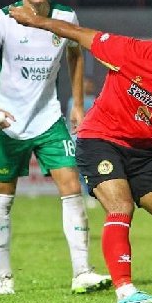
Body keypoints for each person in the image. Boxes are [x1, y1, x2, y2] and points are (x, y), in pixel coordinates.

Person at [7, 6, 152, 303]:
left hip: (142, 152)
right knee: (120, 206)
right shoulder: (128, 51)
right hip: (99, 140)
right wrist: (35, 21)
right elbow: (77, 33)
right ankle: (126, 293)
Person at [0, 0, 111, 296]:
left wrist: (77, 104)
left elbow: (76, 56)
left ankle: (82, 272)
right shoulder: (4, 19)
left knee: (72, 188)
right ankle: (5, 277)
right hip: (9, 124)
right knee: (3, 201)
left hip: (49, 120)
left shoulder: (65, 16)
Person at [66, 76, 97, 209]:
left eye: (88, 84)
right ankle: (78, 195)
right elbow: (69, 120)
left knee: (88, 169)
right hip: (73, 139)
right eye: (84, 84)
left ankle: (91, 195)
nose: (86, 86)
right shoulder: (72, 101)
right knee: (75, 170)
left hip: (88, 139)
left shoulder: (95, 101)